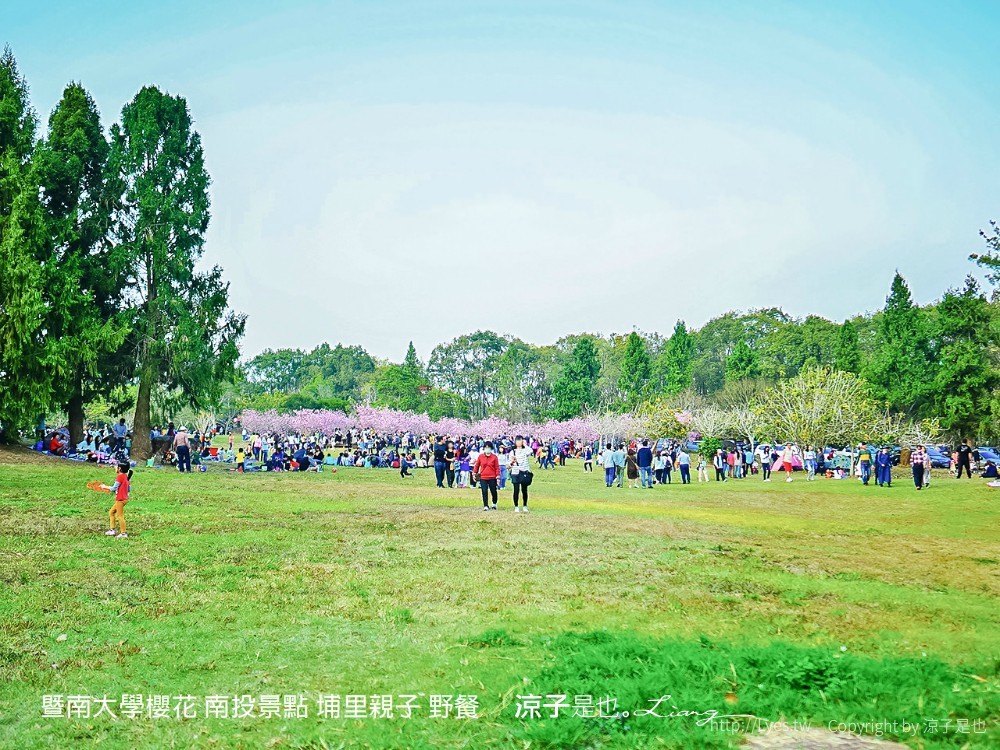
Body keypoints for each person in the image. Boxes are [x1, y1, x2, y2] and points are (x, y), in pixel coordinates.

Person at [102, 461, 132, 539]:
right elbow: (129, 489)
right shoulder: (125, 476)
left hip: (120, 499)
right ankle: (112, 530)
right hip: (124, 499)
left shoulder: (119, 477)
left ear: (120, 469)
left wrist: (105, 487)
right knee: (111, 512)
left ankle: (123, 533)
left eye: (116, 466)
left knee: (120, 516)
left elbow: (113, 488)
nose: (115, 467)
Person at [473, 441, 500, 511]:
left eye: (488, 447)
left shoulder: (494, 457)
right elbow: (477, 465)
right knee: (484, 491)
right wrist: (474, 473)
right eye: (486, 447)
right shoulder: (480, 456)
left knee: (493, 491)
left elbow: (497, 467)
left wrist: (498, 476)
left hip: (492, 477)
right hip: (483, 477)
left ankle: (494, 503)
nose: (487, 449)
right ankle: (485, 505)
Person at [509, 435, 533, 512]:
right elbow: (509, 464)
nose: (519, 442)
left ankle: (525, 505)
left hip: (524, 471)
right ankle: (516, 506)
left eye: (520, 440)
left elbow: (531, 451)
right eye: (517, 440)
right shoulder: (512, 452)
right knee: (516, 490)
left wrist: (525, 445)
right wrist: (512, 462)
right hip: (515, 472)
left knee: (524, 490)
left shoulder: (525, 450)